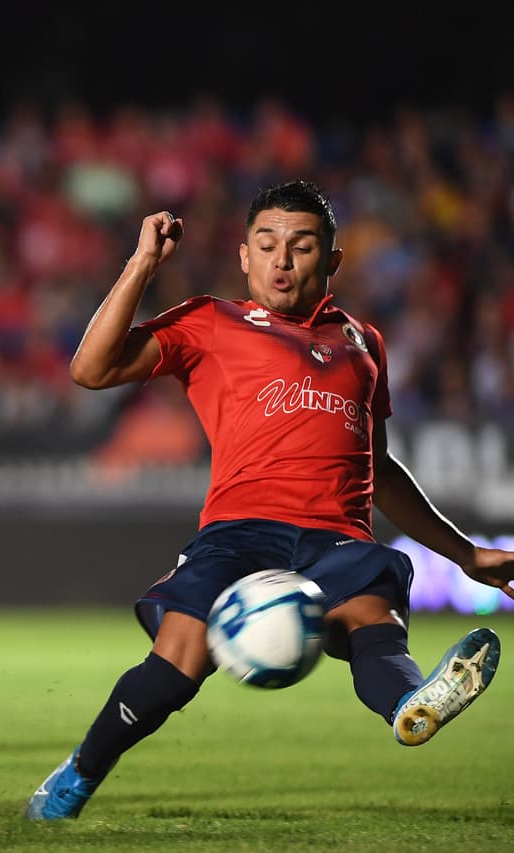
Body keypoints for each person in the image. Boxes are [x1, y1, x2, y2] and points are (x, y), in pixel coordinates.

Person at [26, 180, 512, 820]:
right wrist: (142, 262)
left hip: (338, 534)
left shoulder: (363, 344)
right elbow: (90, 370)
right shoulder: (210, 321)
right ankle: (78, 777)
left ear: (332, 261)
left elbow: (382, 468)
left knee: (375, 626)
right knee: (178, 662)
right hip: (239, 531)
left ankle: (411, 707)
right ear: (245, 257)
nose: (283, 260)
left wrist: (466, 555)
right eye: (268, 245)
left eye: (302, 246)